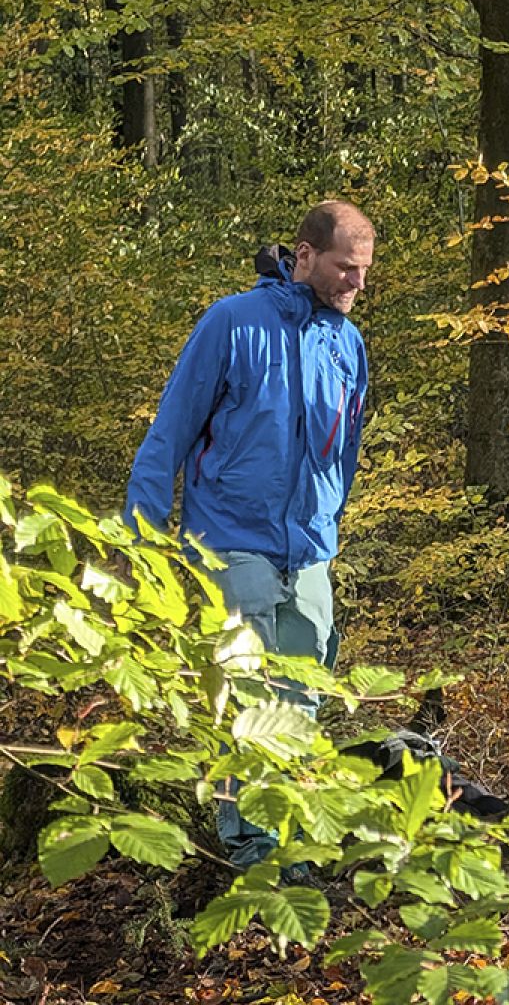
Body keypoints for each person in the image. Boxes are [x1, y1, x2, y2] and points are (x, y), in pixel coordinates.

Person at [124, 199, 374, 868]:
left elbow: (345, 453)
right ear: (305, 256)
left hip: (310, 552)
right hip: (231, 541)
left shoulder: (347, 344)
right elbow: (171, 430)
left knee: (301, 701)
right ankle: (251, 849)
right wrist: (141, 542)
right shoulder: (232, 322)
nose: (356, 283)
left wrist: (328, 527)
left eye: (364, 271)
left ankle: (291, 841)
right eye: (345, 268)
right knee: (246, 699)